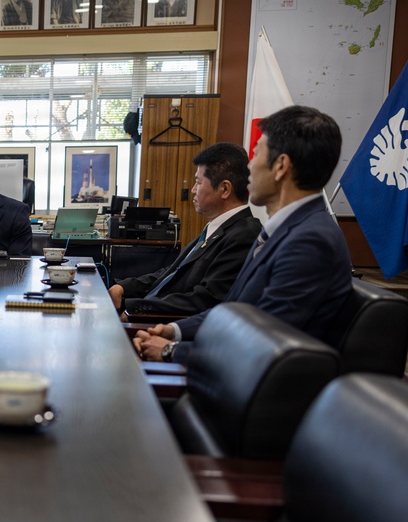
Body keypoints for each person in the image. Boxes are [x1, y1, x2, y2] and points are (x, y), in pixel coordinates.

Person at [135, 106, 353, 362]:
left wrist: (170, 350)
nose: (249, 166)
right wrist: (177, 330)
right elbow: (235, 311)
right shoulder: (283, 231)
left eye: (257, 152)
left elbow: (264, 342)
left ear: (281, 166)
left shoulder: (310, 242)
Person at [109, 143, 261, 318]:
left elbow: (205, 300)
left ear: (224, 189)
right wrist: (125, 287)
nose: (193, 190)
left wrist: (134, 309)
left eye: (198, 182)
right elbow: (173, 273)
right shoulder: (217, 228)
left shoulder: (244, 235)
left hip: (161, 324)